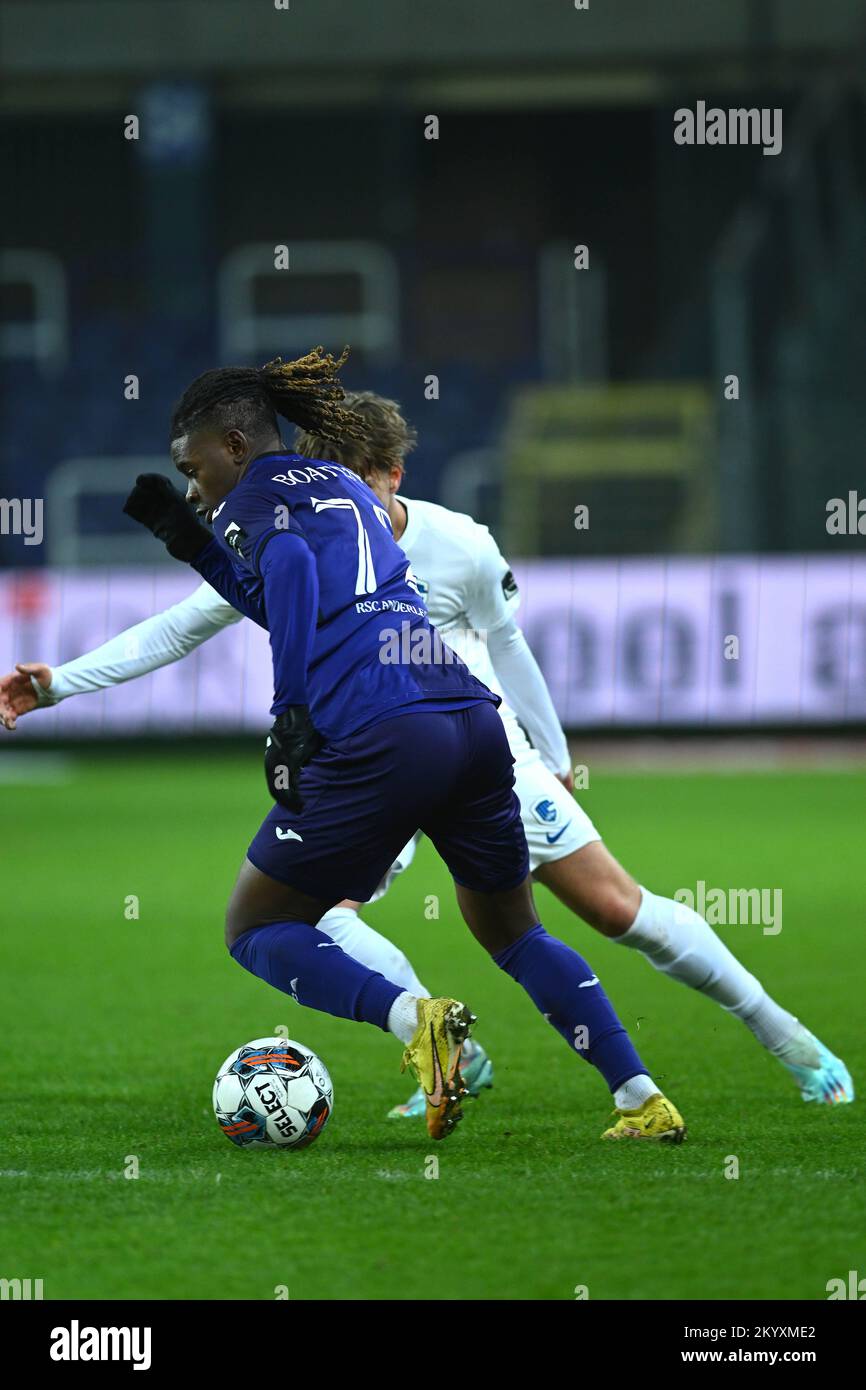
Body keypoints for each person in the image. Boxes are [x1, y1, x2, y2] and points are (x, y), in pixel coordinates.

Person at [121, 347, 687, 1144]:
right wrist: (195, 545)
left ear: (236, 446)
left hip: (382, 732)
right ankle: (641, 1097)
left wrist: (288, 716)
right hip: (468, 718)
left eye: (193, 466)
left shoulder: (253, 501)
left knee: (253, 926)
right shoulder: (349, 488)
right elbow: (295, 596)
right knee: (516, 931)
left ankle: (415, 1018)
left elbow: (283, 572)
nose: (192, 485)